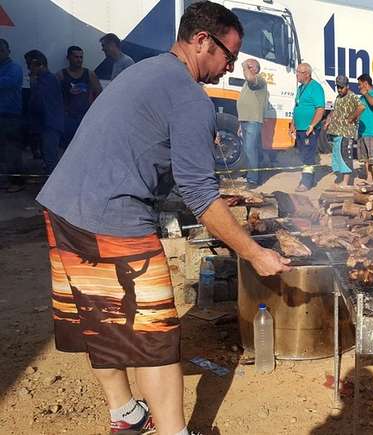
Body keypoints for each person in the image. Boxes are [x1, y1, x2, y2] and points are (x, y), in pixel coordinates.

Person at [36, 3, 290, 435]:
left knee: (100, 317)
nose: (227, 69)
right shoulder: (191, 96)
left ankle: (127, 415)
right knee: (155, 337)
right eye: (228, 56)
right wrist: (253, 254)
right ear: (201, 41)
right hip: (112, 217)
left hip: (63, 206)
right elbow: (200, 193)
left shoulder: (146, 69)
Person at [25, 50, 65, 175]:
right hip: (46, 124)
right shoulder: (47, 79)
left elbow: (38, 102)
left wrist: (33, 82)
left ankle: (56, 187)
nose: (28, 68)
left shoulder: (48, 80)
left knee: (50, 158)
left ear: (37, 64)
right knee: (48, 158)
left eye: (29, 64)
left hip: (49, 125)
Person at [289, 62, 325, 192]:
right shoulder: (300, 88)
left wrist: (312, 125)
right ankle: (310, 179)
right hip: (300, 128)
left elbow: (320, 109)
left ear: (307, 74)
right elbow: (297, 107)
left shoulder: (315, 87)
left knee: (308, 156)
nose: (296, 74)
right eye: (297, 72)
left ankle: (306, 182)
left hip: (309, 129)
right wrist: (293, 124)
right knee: (303, 155)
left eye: (299, 72)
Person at [57, 45, 102, 147]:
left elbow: (100, 94)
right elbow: (54, 97)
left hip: (85, 118)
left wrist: (94, 113)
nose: (79, 60)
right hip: (68, 118)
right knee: (67, 147)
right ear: (68, 58)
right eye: (76, 57)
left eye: (81, 57)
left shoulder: (89, 74)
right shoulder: (61, 75)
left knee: (86, 146)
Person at [236, 58, 268, 187]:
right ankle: (250, 173)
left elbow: (250, 78)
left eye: (249, 66)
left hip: (253, 120)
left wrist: (244, 65)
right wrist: (240, 123)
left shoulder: (259, 79)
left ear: (255, 68)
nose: (245, 68)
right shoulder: (248, 83)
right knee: (247, 149)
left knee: (250, 148)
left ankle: (253, 179)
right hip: (246, 119)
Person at [324, 75, 360, 186]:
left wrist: (352, 118)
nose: (339, 89)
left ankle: (346, 182)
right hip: (336, 132)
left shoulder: (352, 96)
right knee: (337, 155)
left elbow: (361, 107)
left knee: (345, 156)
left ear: (347, 86)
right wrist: (328, 121)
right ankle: (341, 177)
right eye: (338, 87)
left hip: (346, 133)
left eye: (341, 87)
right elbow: (334, 110)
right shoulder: (338, 97)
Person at [0, 38, 25, 193]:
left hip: (10, 116)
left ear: (8, 51)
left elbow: (8, 83)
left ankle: (18, 181)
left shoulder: (14, 68)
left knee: (12, 150)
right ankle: (7, 179)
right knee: (2, 150)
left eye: (1, 50)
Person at [355, 73, 373, 181]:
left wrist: (366, 94)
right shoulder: (361, 97)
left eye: (360, 84)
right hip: (362, 132)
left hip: (372, 132)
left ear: (366, 84)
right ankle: (369, 180)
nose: (358, 87)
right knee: (365, 160)